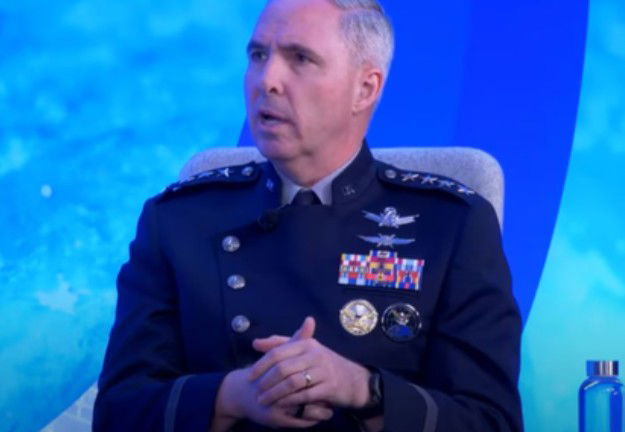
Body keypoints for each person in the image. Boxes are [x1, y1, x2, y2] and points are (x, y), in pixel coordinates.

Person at [93, 0, 524, 431]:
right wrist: (231, 396)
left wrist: (364, 389)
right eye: (258, 55)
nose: (267, 80)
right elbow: (117, 413)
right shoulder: (180, 221)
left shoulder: (449, 225)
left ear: (365, 89)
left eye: (300, 58)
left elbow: (491, 422)